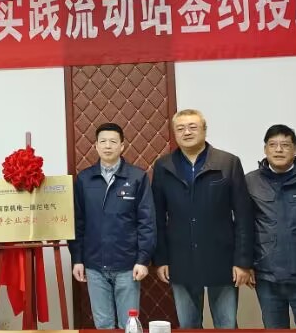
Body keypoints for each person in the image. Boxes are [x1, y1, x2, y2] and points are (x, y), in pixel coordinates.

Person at [152, 109, 253, 329]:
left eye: (192, 127)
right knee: (188, 325)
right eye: (180, 128)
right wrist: (161, 259)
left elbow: (243, 216)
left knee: (226, 324)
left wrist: (242, 261)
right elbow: (157, 217)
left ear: (204, 130)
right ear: (174, 133)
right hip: (180, 258)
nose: (187, 132)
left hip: (222, 257)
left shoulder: (227, 162)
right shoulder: (163, 166)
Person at [71, 123, 156, 329]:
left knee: (130, 325)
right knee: (103, 324)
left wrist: (143, 259)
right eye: (103, 141)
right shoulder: (84, 179)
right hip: (94, 265)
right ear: (96, 146)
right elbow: (77, 222)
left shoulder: (137, 177)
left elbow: (147, 222)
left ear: (122, 146)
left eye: (113, 141)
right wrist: (77, 259)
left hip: (128, 265)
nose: (107, 146)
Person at [245, 124, 296, 329]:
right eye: (273, 145)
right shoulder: (251, 181)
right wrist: (246, 264)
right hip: (266, 276)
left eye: (285, 145)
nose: (279, 150)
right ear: (265, 149)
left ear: (295, 149)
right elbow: (244, 227)